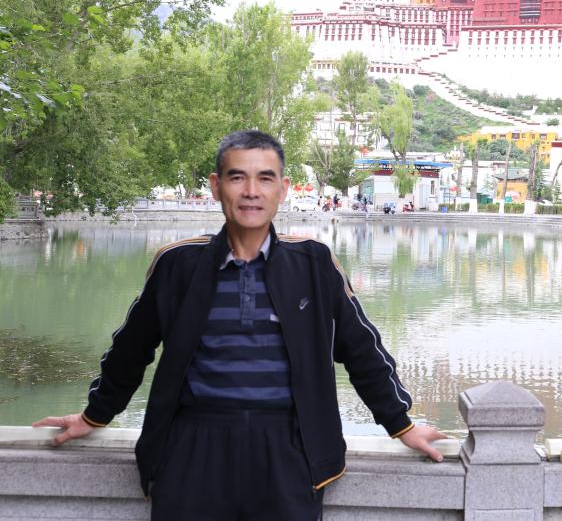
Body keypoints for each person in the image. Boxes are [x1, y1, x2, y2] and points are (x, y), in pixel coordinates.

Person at [33, 130, 444, 520]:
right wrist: (94, 415)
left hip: (287, 447)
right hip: (193, 445)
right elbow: (131, 349)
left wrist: (401, 424)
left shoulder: (313, 263)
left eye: (265, 178)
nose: (251, 191)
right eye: (237, 177)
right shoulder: (178, 264)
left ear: (282, 189)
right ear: (216, 187)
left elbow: (362, 350)